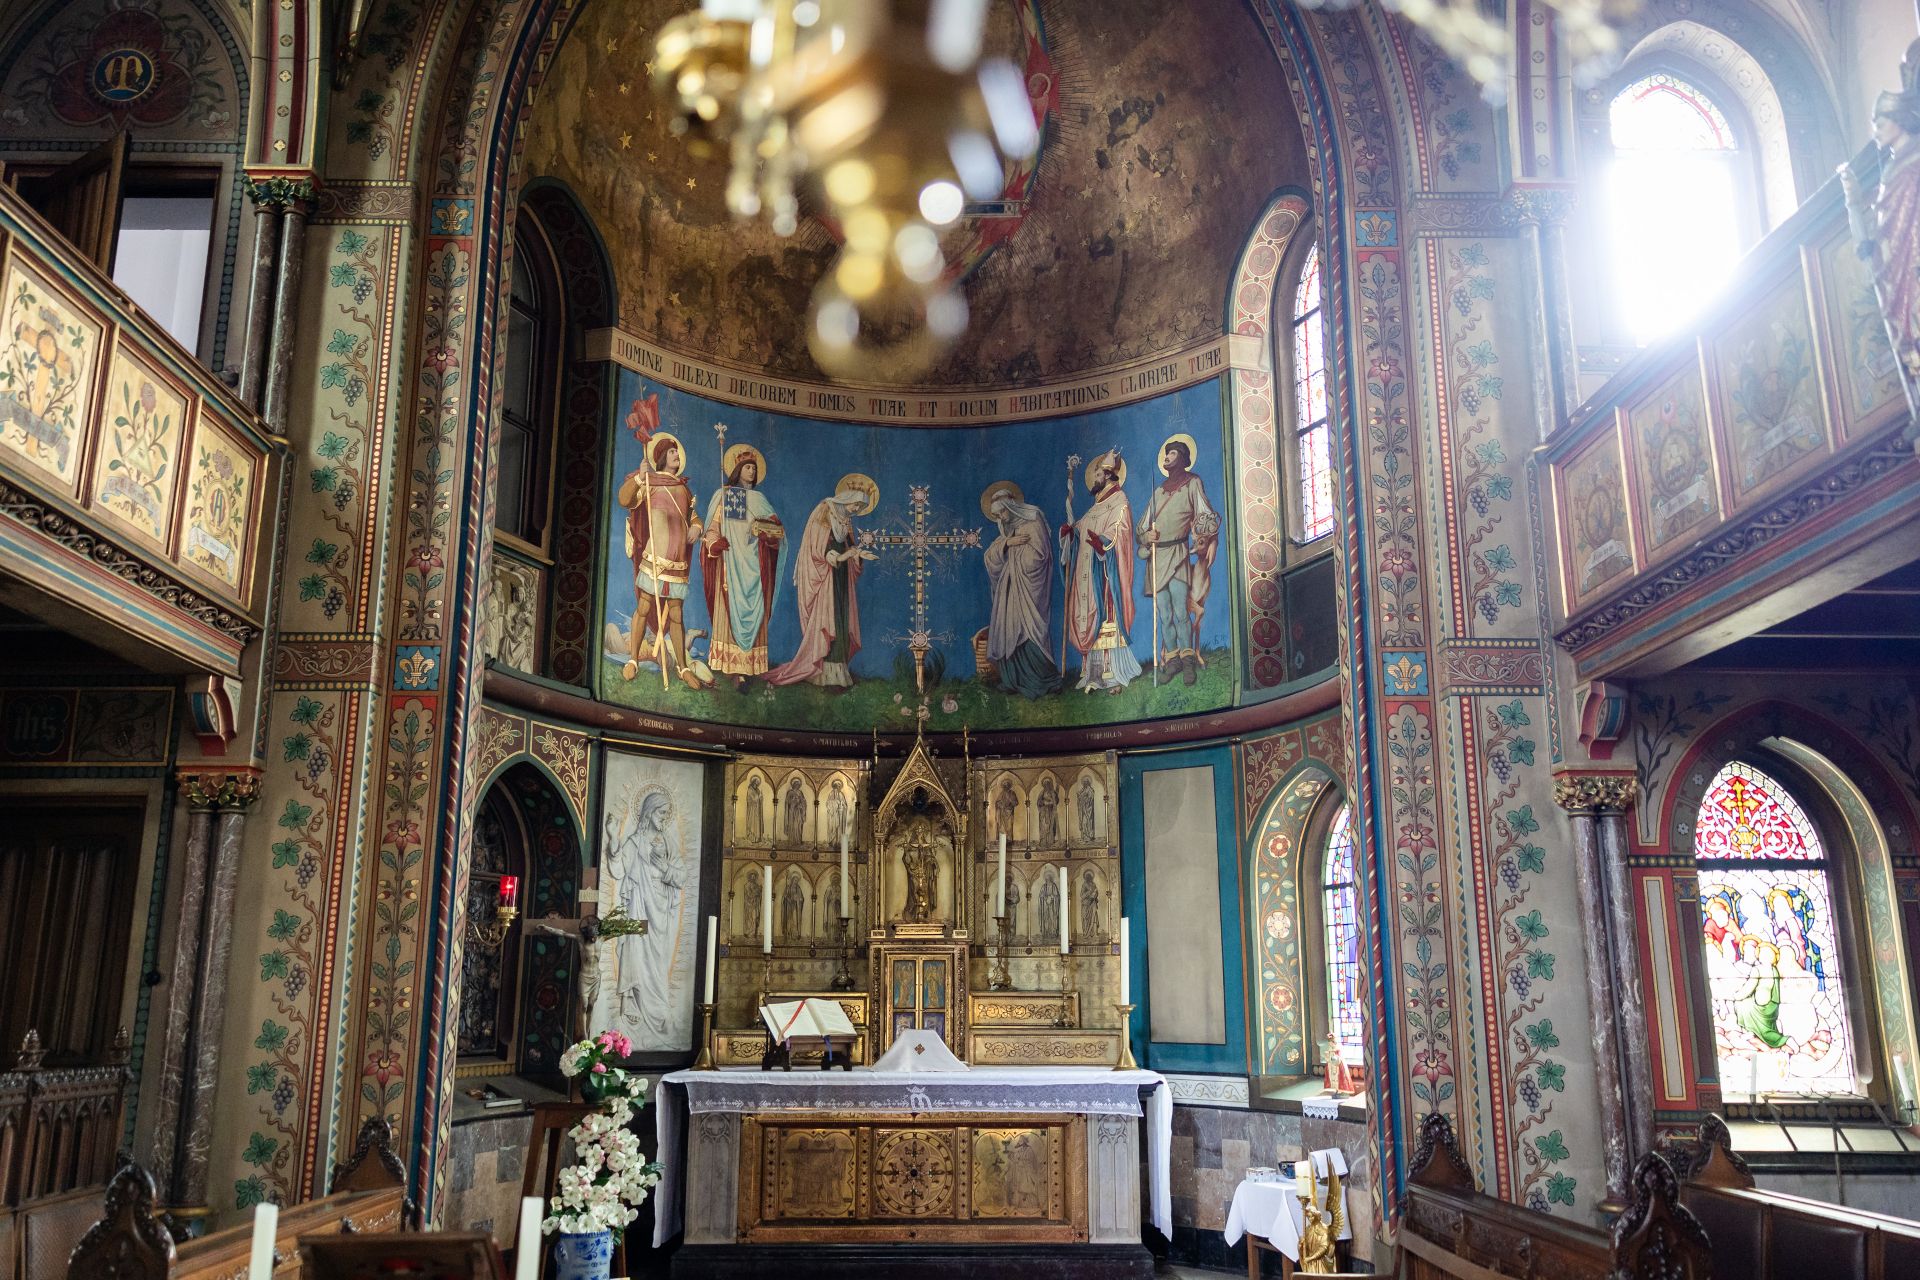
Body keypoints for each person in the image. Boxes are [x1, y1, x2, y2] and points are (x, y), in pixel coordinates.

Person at [1843, 58, 1920, 433]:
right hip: (1900, 269)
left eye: (1880, 122)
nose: (1875, 130)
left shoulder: (1916, 158)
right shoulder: (1890, 171)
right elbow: (1877, 234)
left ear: (1899, 120)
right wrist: (1854, 202)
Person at [768, 474, 879, 690]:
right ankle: (825, 674)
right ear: (847, 498)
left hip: (841, 577)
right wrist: (845, 556)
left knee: (842, 619)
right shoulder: (825, 510)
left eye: (860, 507)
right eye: (856, 504)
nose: (856, 510)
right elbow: (817, 549)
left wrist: (858, 555)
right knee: (830, 620)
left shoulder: (846, 520)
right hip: (826, 577)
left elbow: (848, 546)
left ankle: (839, 672)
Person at [618, 433, 707, 689]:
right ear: (661, 457)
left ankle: (683, 668)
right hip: (655, 558)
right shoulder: (650, 482)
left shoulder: (683, 488)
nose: (677, 455)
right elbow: (624, 499)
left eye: (677, 452)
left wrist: (697, 527)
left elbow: (693, 516)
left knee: (677, 615)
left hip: (677, 562)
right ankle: (633, 660)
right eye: (672, 452)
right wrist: (639, 477)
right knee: (644, 608)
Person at [1137, 434, 1219, 685]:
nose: (1167, 457)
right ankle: (1172, 660)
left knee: (1181, 611)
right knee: (1164, 613)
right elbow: (1141, 529)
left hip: (1178, 554)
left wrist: (1206, 528)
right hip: (1156, 558)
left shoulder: (1192, 483)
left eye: (1172, 453)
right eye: (1166, 454)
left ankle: (1188, 661)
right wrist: (1146, 536)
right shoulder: (1158, 492)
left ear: (1182, 458)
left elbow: (1205, 514)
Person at [701, 444, 787, 685]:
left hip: (755, 565)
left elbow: (777, 532)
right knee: (729, 607)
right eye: (747, 467)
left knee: (756, 610)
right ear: (737, 469)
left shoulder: (760, 500)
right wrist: (714, 543)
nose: (751, 471)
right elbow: (714, 528)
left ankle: (749, 667)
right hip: (732, 564)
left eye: (754, 468)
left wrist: (770, 535)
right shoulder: (730, 496)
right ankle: (732, 668)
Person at [608, 788, 686, 1045]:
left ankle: (659, 1011)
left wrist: (665, 867)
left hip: (661, 915)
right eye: (660, 812)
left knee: (658, 965)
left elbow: (681, 876)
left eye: (666, 813)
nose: (663, 817)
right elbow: (618, 868)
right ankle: (633, 1007)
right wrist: (613, 836)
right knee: (636, 954)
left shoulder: (668, 843)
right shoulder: (635, 841)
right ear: (649, 812)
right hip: (639, 908)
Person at [1060, 449, 1141, 693]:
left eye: (1097, 474)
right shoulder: (1096, 506)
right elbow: (1082, 529)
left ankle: (1112, 674)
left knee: (1105, 617)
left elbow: (1121, 531)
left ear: (1107, 475)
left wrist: (1103, 543)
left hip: (1104, 570)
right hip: (1085, 571)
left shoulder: (1119, 501)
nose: (1094, 479)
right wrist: (1071, 533)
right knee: (1086, 615)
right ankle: (1091, 674)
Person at [981, 481, 1061, 698]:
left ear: (1011, 506)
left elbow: (1041, 555)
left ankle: (1042, 680)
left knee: (1029, 630)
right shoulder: (1008, 530)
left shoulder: (1033, 519)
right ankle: (1013, 680)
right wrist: (1008, 544)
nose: (1000, 518)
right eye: (997, 515)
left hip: (1029, 588)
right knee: (1009, 627)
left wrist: (1018, 556)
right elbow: (990, 557)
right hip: (1009, 591)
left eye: (1002, 512)